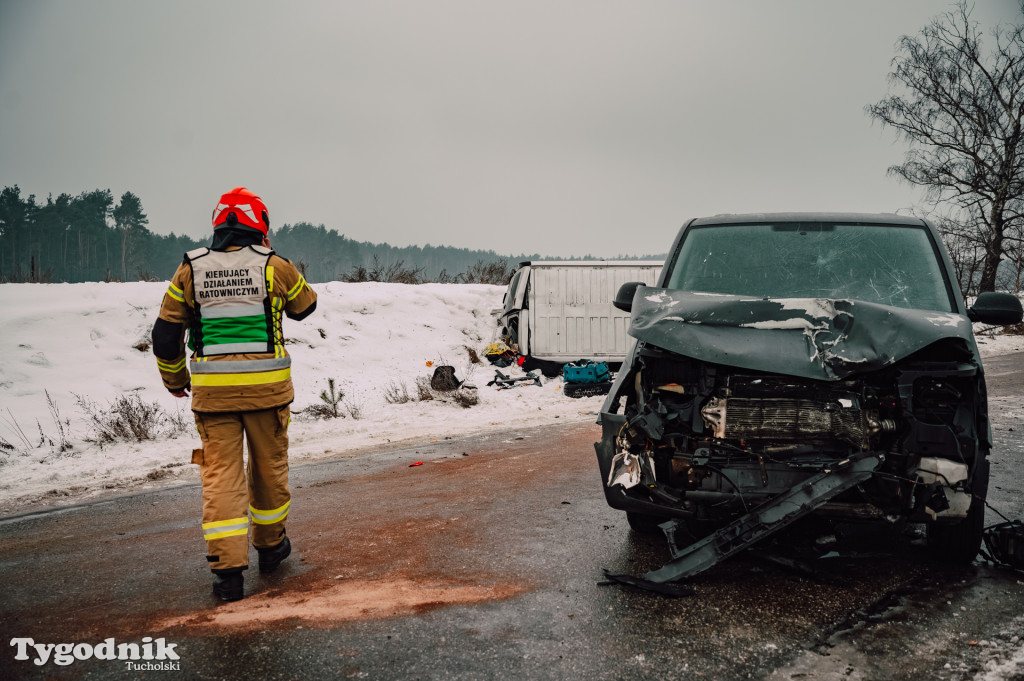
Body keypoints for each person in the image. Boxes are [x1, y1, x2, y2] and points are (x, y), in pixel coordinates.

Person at [151, 187, 317, 602]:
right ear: (259, 224)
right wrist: (271, 257)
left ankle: (228, 575)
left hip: (213, 397)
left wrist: (175, 380)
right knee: (268, 469)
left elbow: (165, 335)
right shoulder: (273, 266)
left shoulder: (190, 269)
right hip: (267, 392)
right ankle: (271, 548)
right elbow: (305, 306)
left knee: (221, 477)